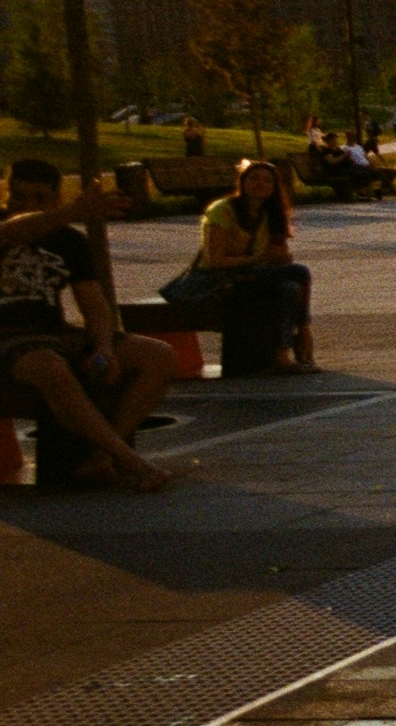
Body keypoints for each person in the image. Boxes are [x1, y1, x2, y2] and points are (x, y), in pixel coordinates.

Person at [0, 162, 177, 490]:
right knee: (50, 366)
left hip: (54, 333)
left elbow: (94, 304)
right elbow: (14, 231)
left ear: (54, 199)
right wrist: (71, 211)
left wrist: (104, 347)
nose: (25, 204)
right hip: (8, 338)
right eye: (18, 196)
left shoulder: (69, 240)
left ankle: (101, 456)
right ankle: (130, 461)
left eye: (38, 197)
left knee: (158, 355)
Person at [165, 159, 319, 372]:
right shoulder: (223, 210)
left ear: (274, 188)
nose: (260, 184)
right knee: (291, 284)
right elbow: (216, 261)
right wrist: (259, 259)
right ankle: (290, 350)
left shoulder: (270, 214)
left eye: (267, 181)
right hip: (215, 280)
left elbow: (278, 256)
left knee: (295, 277)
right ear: (243, 181)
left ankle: (298, 336)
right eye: (254, 178)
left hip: (250, 275)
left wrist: (280, 257)